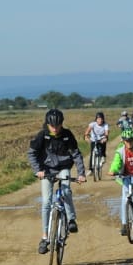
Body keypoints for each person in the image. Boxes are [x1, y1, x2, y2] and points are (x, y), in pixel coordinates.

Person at [27, 108, 86, 254]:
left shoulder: (67, 135)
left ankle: (71, 220)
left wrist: (81, 174)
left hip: (63, 168)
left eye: (58, 125)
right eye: (52, 126)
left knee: (65, 191)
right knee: (46, 202)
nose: (55, 128)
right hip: (46, 170)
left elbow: (76, 155)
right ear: (48, 124)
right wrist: (38, 170)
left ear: (62, 124)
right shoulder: (42, 136)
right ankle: (45, 238)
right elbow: (32, 153)